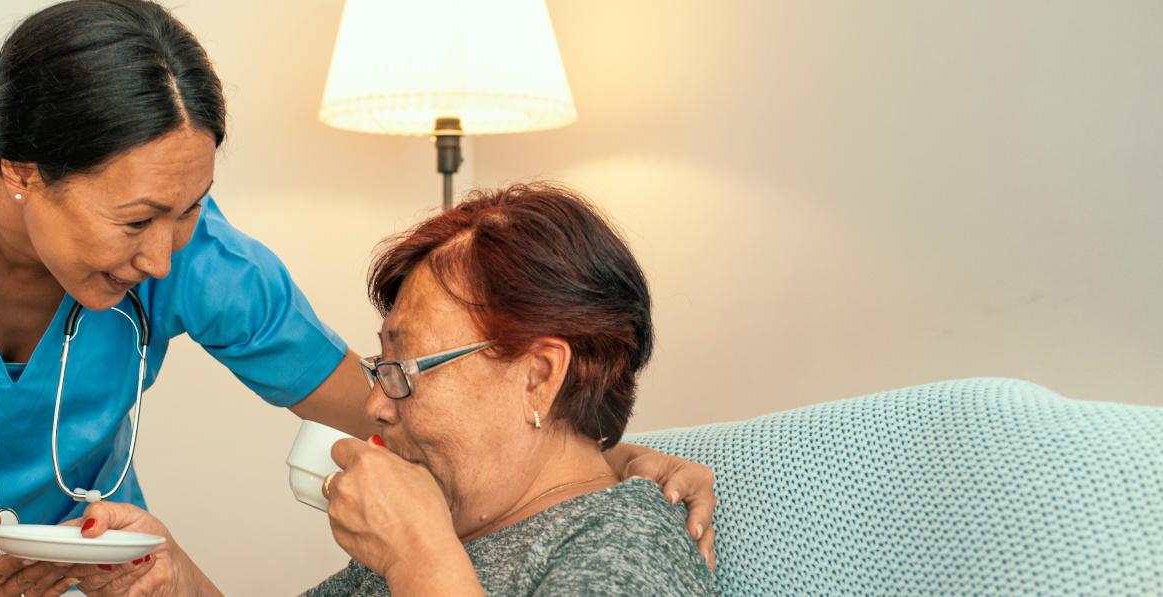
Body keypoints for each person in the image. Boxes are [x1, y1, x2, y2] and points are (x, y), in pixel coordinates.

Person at [0, 1, 720, 595]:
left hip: (88, 552)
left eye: (191, 208)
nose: (166, 252)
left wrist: (585, 444)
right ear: (22, 174)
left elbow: (367, 392)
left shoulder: (192, 249)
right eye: (138, 217)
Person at [73, 183, 717, 596]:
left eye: (405, 370)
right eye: (381, 367)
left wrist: (418, 559)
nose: (375, 405)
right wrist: (174, 578)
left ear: (539, 378)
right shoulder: (452, 527)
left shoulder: (621, 542)